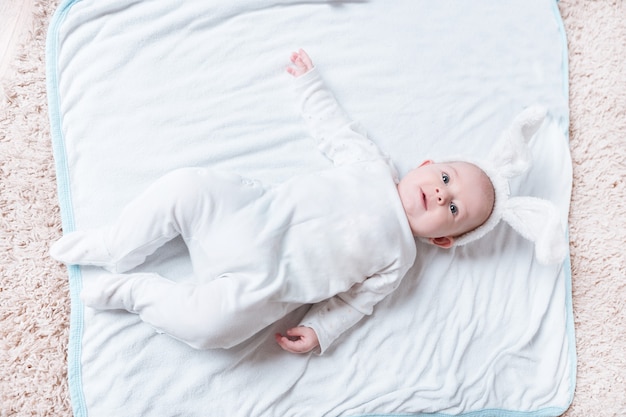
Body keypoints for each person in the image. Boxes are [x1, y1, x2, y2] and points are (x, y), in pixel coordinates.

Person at [50, 49, 497, 355]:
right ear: (425, 164)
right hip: (248, 216)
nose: (441, 193)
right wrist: (310, 85)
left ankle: (135, 292)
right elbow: (334, 129)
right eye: (445, 177)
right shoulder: (372, 165)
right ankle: (118, 244)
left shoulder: (397, 260)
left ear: (441, 238)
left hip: (263, 289)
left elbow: (354, 304)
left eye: (453, 208)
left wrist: (322, 331)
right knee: (187, 186)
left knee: (212, 331)